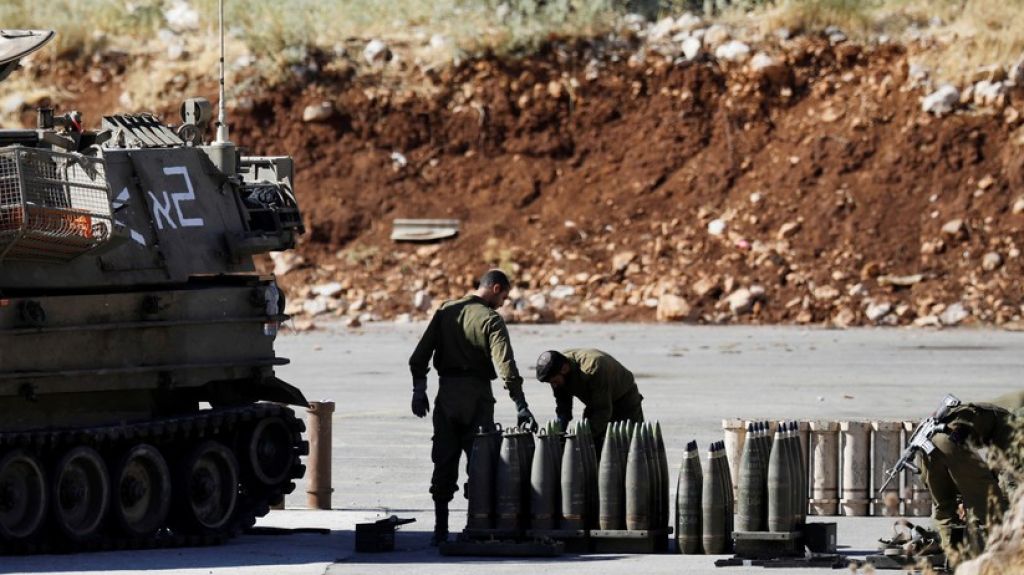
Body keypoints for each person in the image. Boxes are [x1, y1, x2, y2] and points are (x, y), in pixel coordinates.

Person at [408, 269, 537, 545]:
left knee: (443, 461)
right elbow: (506, 367)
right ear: (496, 288)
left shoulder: (445, 311)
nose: (503, 303)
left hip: (446, 396)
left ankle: (440, 530)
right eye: (504, 297)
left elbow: (419, 357)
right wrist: (520, 404)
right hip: (477, 399)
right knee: (481, 465)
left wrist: (419, 391)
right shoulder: (491, 320)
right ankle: (476, 526)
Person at [920, 390, 1023, 560]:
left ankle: (948, 546)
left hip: (928, 441)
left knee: (944, 509)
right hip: (952, 439)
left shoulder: (1005, 406)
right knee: (992, 509)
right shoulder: (1015, 423)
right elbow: (1010, 480)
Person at [534, 348, 644, 450]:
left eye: (554, 381)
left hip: (624, 400)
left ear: (564, 369)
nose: (554, 385)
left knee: (629, 445)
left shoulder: (592, 369)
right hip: (596, 401)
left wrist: (581, 437)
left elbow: (602, 411)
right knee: (590, 446)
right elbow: (563, 406)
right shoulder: (558, 370)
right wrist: (560, 431)